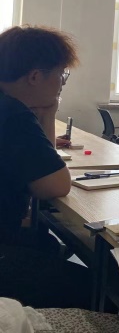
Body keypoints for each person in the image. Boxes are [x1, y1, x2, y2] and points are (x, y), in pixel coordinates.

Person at [0, 25, 92, 308]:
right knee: (97, 287)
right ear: (35, 77)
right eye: (62, 75)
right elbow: (54, 185)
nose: (62, 83)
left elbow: (44, 170)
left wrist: (47, 114)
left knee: (46, 245)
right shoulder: (13, 113)